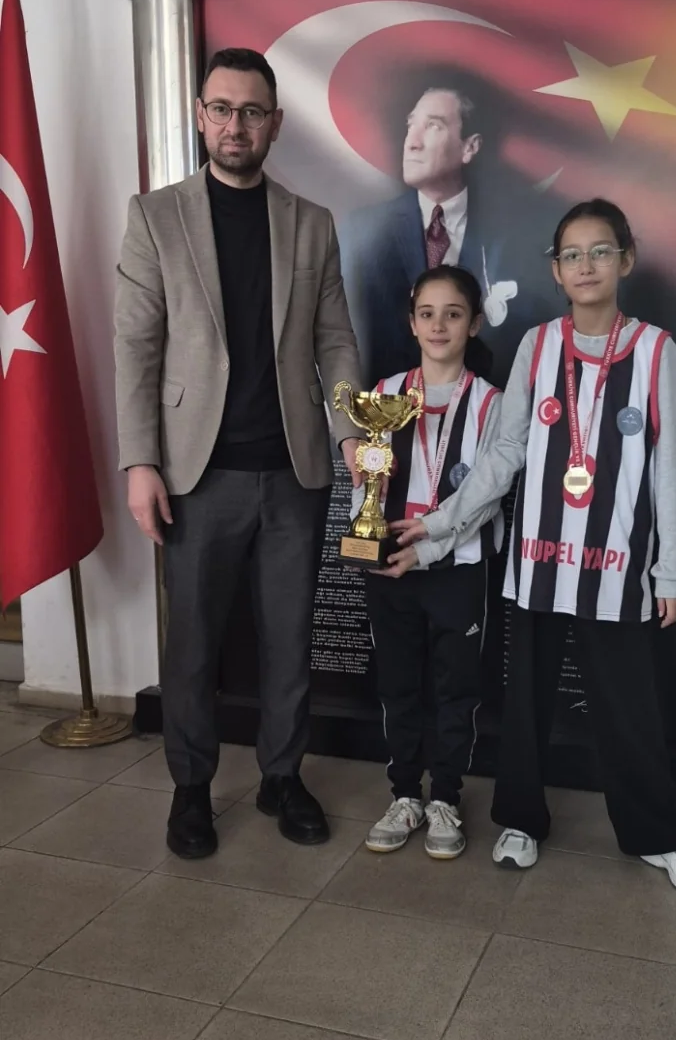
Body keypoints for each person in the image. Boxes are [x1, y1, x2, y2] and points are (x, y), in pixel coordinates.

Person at [391, 199, 676, 896]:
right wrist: (443, 521)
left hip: (618, 562)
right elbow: (506, 451)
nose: (586, 265)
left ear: (626, 260)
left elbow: (668, 461)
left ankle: (662, 835)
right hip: (539, 558)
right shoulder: (538, 347)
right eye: (572, 254)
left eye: (600, 251)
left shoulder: (655, 348)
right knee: (526, 700)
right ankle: (520, 819)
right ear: (556, 269)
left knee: (628, 704)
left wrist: (672, 569)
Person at [115, 46, 362, 861]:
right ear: (200, 115)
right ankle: (191, 786)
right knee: (193, 643)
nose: (235, 125)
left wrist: (353, 432)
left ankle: (281, 777)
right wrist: (140, 462)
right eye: (221, 109)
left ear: (274, 124)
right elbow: (136, 349)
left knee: (289, 639)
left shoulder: (311, 222)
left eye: (251, 112)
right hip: (196, 475)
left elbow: (334, 340)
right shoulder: (156, 217)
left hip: (294, 471)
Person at [362, 265, 503, 861]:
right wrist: (368, 533)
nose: (439, 325)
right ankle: (404, 795)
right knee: (398, 684)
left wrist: (433, 544)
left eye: (453, 314)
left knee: (455, 687)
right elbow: (364, 481)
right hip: (391, 567)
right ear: (411, 322)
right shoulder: (384, 393)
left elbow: (488, 496)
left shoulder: (492, 403)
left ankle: (444, 795)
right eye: (427, 314)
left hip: (458, 569)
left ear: (474, 324)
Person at [344, 86, 520, 380]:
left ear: (469, 147)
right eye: (411, 125)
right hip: (388, 403)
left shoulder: (510, 232)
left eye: (433, 126)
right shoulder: (363, 231)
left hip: (481, 401)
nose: (412, 143)